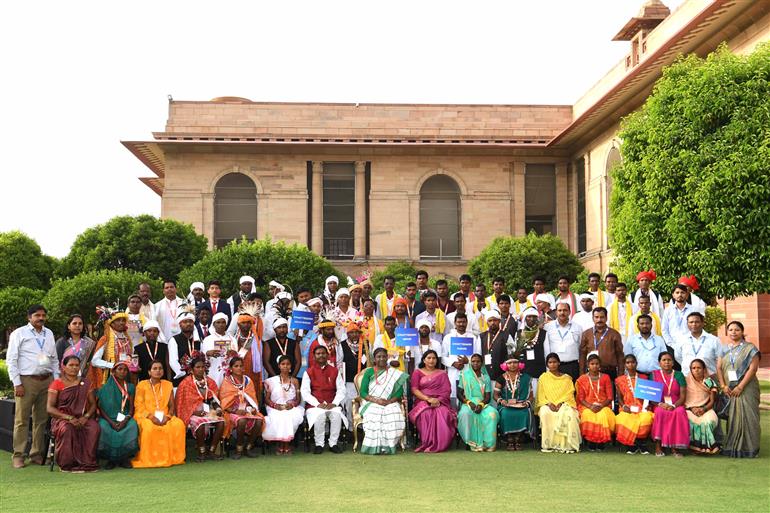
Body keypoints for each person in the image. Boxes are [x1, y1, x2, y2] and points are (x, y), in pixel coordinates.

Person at [7, 305, 58, 469]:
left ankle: (36, 454)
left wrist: (56, 381)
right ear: (29, 317)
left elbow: (54, 359)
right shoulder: (19, 333)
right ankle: (18, 455)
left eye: (43, 315)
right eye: (37, 315)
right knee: (21, 420)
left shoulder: (48, 333)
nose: (41, 318)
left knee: (41, 419)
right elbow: (11, 360)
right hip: (26, 381)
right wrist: (17, 383)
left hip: (47, 380)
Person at [46, 355, 100, 472]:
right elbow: (50, 408)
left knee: (94, 427)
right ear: (63, 367)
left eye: (77, 365)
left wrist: (85, 417)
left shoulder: (85, 383)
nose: (74, 368)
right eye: (71, 365)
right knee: (67, 429)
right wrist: (69, 417)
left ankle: (88, 463)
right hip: (62, 419)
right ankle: (67, 464)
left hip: (81, 418)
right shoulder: (57, 383)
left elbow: (93, 405)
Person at [717, 321, 760, 458]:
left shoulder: (750, 348)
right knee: (734, 417)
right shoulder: (724, 349)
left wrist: (741, 386)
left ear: (742, 332)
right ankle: (733, 447)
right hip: (729, 388)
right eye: (730, 330)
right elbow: (719, 368)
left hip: (747, 387)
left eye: (737, 330)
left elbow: (753, 369)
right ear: (727, 332)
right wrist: (723, 386)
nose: (733, 332)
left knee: (748, 415)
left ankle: (750, 448)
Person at [132, 360, 186, 468]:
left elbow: (171, 406)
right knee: (148, 427)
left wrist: (168, 416)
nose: (158, 371)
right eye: (155, 369)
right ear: (149, 372)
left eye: (160, 368)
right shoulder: (141, 385)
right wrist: (152, 417)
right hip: (146, 415)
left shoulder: (168, 385)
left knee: (178, 424)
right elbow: (139, 406)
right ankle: (149, 459)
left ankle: (174, 457)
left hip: (165, 416)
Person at [175, 353, 225, 462]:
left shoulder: (210, 382)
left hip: (208, 412)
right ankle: (201, 452)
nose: (201, 369)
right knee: (200, 423)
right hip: (192, 414)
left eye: (202, 367)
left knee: (221, 422)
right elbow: (183, 404)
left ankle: (211, 451)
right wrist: (195, 412)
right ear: (191, 370)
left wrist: (217, 409)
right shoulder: (186, 383)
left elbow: (214, 399)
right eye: (198, 367)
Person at [358, 347, 407, 455]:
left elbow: (399, 393)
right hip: (372, 402)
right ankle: (374, 447)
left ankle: (389, 447)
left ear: (387, 357)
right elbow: (363, 392)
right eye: (378, 357)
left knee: (393, 415)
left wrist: (389, 402)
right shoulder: (369, 372)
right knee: (375, 415)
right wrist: (375, 400)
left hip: (390, 401)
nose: (381, 359)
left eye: (384, 356)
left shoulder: (394, 373)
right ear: (374, 359)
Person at [302, 345, 347, 453]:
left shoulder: (334, 371)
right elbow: (305, 392)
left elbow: (341, 390)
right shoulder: (308, 372)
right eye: (318, 353)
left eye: (323, 353)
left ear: (327, 355)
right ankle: (319, 444)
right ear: (314, 356)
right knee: (320, 416)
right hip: (315, 405)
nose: (321, 355)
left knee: (336, 416)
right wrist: (317, 404)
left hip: (332, 404)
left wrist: (335, 403)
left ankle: (333, 444)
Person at [409, 350, 456, 453]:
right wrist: (428, 399)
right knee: (426, 412)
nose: (431, 360)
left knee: (443, 412)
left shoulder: (442, 373)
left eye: (434, 358)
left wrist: (438, 400)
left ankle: (441, 444)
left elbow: (447, 390)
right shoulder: (417, 372)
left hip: (440, 401)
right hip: (423, 400)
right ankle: (427, 442)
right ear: (424, 360)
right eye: (429, 358)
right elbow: (414, 389)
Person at [96, 358, 139, 469]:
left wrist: (126, 420)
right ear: (113, 371)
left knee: (133, 425)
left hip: (125, 418)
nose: (122, 372)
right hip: (107, 419)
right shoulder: (104, 388)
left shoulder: (131, 387)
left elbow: (131, 408)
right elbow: (100, 408)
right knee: (103, 427)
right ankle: (110, 459)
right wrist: (111, 422)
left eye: (125, 370)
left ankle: (124, 459)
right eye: (120, 369)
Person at [220, 355, 264, 458]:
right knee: (242, 420)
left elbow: (252, 398)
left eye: (241, 366)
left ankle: (248, 447)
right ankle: (238, 449)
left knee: (259, 420)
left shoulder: (248, 380)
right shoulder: (227, 381)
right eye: (236, 366)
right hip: (231, 411)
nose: (239, 368)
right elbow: (224, 403)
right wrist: (235, 411)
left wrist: (252, 409)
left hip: (246, 410)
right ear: (230, 369)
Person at [536, 353, 581, 453]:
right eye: (550, 362)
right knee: (545, 412)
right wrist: (548, 404)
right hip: (548, 404)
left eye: (554, 362)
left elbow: (570, 393)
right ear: (547, 365)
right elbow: (540, 395)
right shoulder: (543, 377)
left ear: (559, 363)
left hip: (564, 404)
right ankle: (549, 445)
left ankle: (568, 445)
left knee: (570, 414)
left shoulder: (567, 378)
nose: (553, 364)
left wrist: (561, 403)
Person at [650, 352, 689, 458]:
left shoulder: (679, 375)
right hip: (659, 404)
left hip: (676, 404)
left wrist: (674, 406)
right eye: (664, 360)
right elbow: (651, 396)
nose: (666, 362)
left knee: (679, 412)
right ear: (659, 363)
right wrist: (660, 404)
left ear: (673, 362)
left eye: (669, 360)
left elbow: (682, 396)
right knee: (659, 412)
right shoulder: (654, 374)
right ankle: (658, 446)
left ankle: (674, 447)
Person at [263, 356, 305, 455]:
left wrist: (292, 404)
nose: (285, 366)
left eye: (288, 364)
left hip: (291, 407)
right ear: (279, 366)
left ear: (291, 366)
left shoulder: (295, 381)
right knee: (280, 416)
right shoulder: (271, 381)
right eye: (283, 364)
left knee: (289, 416)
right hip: (275, 407)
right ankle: (281, 444)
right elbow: (267, 399)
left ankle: (286, 444)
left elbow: (298, 399)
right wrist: (275, 405)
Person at [456, 354, 498, 452]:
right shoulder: (464, 375)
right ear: (470, 362)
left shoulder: (486, 377)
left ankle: (488, 444)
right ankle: (470, 442)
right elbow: (459, 393)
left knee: (492, 414)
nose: (475, 363)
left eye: (478, 361)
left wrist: (481, 405)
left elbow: (488, 396)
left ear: (482, 363)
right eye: (473, 361)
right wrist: (469, 402)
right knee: (465, 414)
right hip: (468, 402)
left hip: (483, 403)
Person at [575, 354, 616, 451]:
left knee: (603, 415)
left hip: (604, 405)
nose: (595, 366)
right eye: (592, 364)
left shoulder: (605, 377)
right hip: (587, 406)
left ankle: (601, 441)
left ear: (600, 365)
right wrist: (590, 406)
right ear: (588, 365)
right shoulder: (582, 379)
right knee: (588, 415)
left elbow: (610, 397)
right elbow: (581, 398)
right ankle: (591, 441)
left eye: (597, 364)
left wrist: (601, 405)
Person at [614, 354, 653, 454]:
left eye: (632, 362)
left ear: (636, 364)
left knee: (646, 418)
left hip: (641, 407)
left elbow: (648, 396)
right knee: (624, 418)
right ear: (625, 365)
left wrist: (647, 406)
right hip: (627, 407)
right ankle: (632, 444)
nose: (630, 364)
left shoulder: (644, 378)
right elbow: (620, 398)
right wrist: (623, 406)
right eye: (628, 363)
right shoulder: (619, 380)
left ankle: (642, 443)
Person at [494, 357, 533, 451]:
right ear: (505, 365)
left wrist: (527, 403)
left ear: (519, 364)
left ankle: (518, 439)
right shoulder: (501, 378)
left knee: (524, 412)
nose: (512, 365)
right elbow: (495, 395)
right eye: (509, 363)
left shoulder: (526, 378)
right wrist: (501, 401)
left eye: (515, 362)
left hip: (521, 405)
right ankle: (509, 439)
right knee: (506, 414)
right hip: (506, 405)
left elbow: (531, 396)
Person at [90, 310, 136, 387]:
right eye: (118, 320)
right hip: (111, 376)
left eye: (123, 320)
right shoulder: (105, 339)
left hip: (127, 377)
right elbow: (94, 361)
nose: (121, 323)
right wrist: (113, 365)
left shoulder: (128, 339)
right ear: (111, 323)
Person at [442, 312, 480, 403]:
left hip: (468, 371)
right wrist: (453, 363)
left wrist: (469, 360)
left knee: (468, 397)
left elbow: (478, 355)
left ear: (467, 323)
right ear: (455, 323)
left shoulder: (473, 338)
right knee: (453, 398)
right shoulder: (448, 337)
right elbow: (443, 357)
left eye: (463, 322)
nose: (461, 324)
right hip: (453, 372)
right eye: (459, 322)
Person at [578, 307, 624, 382]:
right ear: (593, 318)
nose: (599, 320)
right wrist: (582, 374)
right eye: (596, 317)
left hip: (609, 372)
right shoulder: (586, 334)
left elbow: (620, 356)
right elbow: (582, 355)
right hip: (590, 372)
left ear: (606, 318)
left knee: (609, 393)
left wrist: (621, 375)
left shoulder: (614, 334)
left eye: (602, 317)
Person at [685, 359, 720, 455]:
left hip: (706, 408)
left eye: (699, 368)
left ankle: (708, 447)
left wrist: (703, 409)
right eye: (694, 368)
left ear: (704, 369)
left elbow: (712, 401)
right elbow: (683, 399)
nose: (696, 370)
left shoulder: (709, 382)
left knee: (709, 421)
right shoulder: (686, 381)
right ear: (690, 370)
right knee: (689, 419)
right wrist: (692, 408)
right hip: (689, 409)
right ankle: (694, 447)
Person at [674, 312, 722, 376]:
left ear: (702, 323)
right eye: (691, 322)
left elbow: (719, 359)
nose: (694, 324)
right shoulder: (681, 340)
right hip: (687, 377)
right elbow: (678, 357)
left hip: (709, 377)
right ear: (687, 324)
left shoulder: (714, 340)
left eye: (697, 322)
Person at [543, 303, 582, 381]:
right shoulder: (548, 327)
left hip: (572, 366)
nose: (562, 313)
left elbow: (581, 347)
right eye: (559, 310)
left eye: (565, 310)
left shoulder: (577, 327)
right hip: (555, 367)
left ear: (569, 312)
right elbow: (546, 348)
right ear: (556, 312)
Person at [514, 307, 547, 395]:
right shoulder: (518, 333)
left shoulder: (543, 333)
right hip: (524, 371)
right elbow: (515, 352)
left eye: (534, 317)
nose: (532, 319)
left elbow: (547, 353)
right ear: (525, 318)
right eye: (529, 317)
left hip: (539, 371)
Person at [201, 312, 237, 385]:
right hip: (213, 372)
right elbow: (201, 357)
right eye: (218, 322)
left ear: (226, 324)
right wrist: (207, 354)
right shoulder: (208, 339)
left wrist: (233, 353)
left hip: (229, 372)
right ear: (214, 324)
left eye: (223, 322)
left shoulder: (232, 339)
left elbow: (237, 358)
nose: (221, 325)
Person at [661, 284, 696, 358]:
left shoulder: (693, 310)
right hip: (672, 347)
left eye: (682, 292)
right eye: (677, 293)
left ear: (687, 295)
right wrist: (671, 344)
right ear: (673, 295)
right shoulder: (668, 311)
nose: (680, 295)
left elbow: (696, 328)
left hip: (689, 346)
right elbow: (664, 330)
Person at [480, 309, 513, 381]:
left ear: (499, 321)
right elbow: (478, 354)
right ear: (487, 323)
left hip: (502, 376)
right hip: (485, 376)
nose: (493, 323)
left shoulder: (506, 335)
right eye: (490, 321)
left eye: (495, 320)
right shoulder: (481, 337)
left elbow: (511, 354)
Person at [169, 311, 200, 386]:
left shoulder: (197, 340)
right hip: (181, 379)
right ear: (180, 324)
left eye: (190, 321)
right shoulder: (174, 340)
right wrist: (183, 375)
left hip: (197, 378)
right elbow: (173, 361)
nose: (188, 324)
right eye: (185, 322)